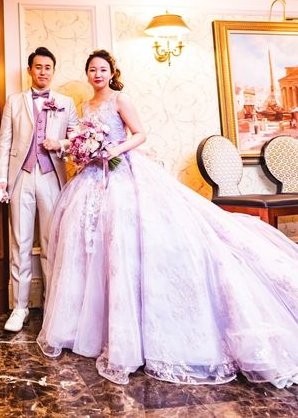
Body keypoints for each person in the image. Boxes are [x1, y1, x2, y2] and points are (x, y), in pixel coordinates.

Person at [37, 49, 298, 388]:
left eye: (102, 69)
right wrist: (78, 148)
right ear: (87, 74)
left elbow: (140, 134)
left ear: (111, 72)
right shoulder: (85, 106)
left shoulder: (120, 99)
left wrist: (114, 149)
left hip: (122, 171)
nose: (97, 74)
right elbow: (80, 139)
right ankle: (92, 327)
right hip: (92, 177)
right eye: (92, 70)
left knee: (125, 239)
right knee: (90, 244)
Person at [0, 46, 78, 332]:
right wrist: (1, 179)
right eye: (38, 67)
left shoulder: (66, 103)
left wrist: (60, 144)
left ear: (53, 71)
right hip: (21, 177)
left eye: (48, 68)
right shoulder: (14, 102)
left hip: (52, 177)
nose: (43, 72)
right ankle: (19, 308)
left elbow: (76, 140)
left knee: (51, 242)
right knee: (20, 242)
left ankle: (51, 305)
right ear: (30, 70)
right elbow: (4, 143)